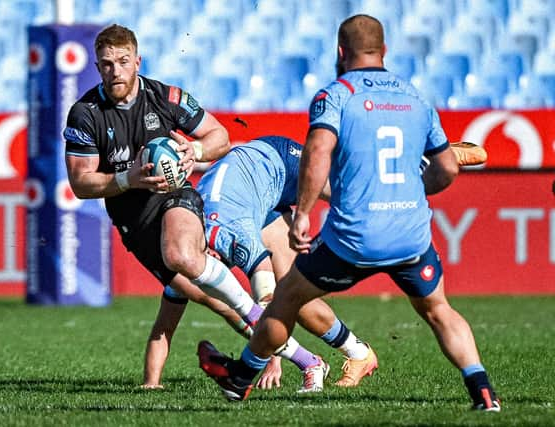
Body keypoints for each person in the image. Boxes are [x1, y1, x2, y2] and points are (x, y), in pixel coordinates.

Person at [198, 15, 501, 412]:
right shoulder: (415, 98)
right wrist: (413, 190)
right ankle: (482, 391)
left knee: (286, 297)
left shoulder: (335, 95)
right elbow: (447, 169)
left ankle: (241, 378)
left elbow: (317, 154)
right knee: (439, 310)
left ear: (340, 52)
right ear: (385, 51)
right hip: (410, 235)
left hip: (356, 236)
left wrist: (303, 213)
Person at [63, 23, 282, 379]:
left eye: (122, 61)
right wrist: (127, 178)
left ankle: (277, 353)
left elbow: (220, 137)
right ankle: (270, 348)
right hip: (135, 220)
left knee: (195, 268)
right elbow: (81, 182)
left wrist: (192, 150)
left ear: (138, 61)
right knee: (207, 296)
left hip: (176, 198)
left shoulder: (167, 97)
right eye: (106, 64)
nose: (115, 70)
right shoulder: (85, 113)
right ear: (97, 66)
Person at [143, 136, 379, 391]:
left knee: (353, 203)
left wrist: (272, 361)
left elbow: (266, 298)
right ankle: (358, 354)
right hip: (252, 193)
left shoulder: (231, 235)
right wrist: (151, 383)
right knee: (295, 293)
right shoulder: (187, 260)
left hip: (276, 161)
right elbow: (164, 325)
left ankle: (393, 211)